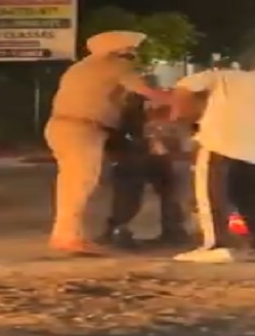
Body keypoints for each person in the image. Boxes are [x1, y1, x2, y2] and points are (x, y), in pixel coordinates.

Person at [45, 30, 170, 254]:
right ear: (117, 50)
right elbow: (147, 92)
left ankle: (68, 234)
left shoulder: (81, 67)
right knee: (79, 183)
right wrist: (177, 98)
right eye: (130, 49)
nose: (133, 54)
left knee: (72, 183)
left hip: (64, 126)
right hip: (83, 128)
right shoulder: (115, 66)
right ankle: (66, 237)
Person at [169, 59, 255, 263]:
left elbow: (184, 85)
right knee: (251, 198)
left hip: (218, 144)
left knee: (211, 197)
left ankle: (216, 246)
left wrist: (184, 115)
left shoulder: (222, 76)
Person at [99, 91, 190, 248]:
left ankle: (171, 230)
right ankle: (171, 230)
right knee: (135, 192)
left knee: (140, 192)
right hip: (137, 153)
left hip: (141, 153)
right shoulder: (132, 111)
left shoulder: (128, 109)